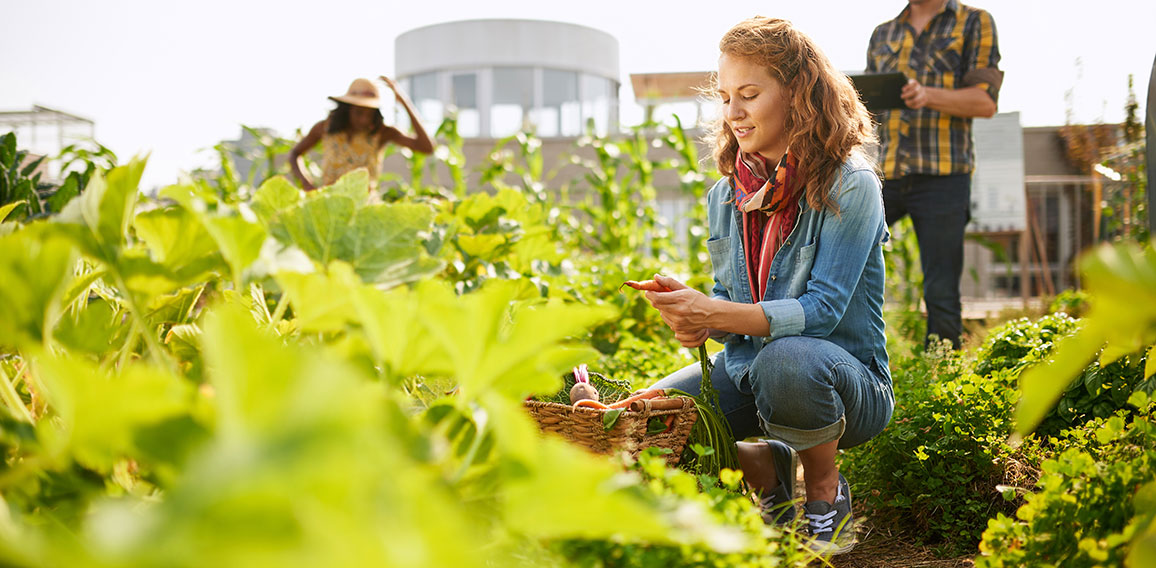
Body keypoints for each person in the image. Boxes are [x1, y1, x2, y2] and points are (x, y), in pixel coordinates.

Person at [637, 17, 894, 556]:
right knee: (653, 419)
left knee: (787, 361)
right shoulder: (725, 196)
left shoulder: (851, 183)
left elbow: (820, 311)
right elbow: (729, 304)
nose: (733, 113)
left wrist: (714, 313)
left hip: (844, 382)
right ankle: (768, 475)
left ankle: (825, 494)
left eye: (749, 95)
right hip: (748, 370)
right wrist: (692, 312)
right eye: (726, 97)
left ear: (798, 96)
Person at [866, 0, 1003, 349]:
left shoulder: (974, 22)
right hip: (888, 175)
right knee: (841, 256)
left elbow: (984, 102)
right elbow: (867, 110)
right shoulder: (883, 33)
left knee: (940, 290)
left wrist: (927, 95)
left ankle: (942, 375)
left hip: (944, 176)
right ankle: (854, 358)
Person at [289, 76, 434, 192]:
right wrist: (306, 182)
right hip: (328, 204)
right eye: (359, 113)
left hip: (365, 208)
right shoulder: (324, 129)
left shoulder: (382, 133)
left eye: (369, 114)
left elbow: (426, 147)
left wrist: (403, 101)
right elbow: (295, 154)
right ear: (347, 110)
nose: (364, 119)